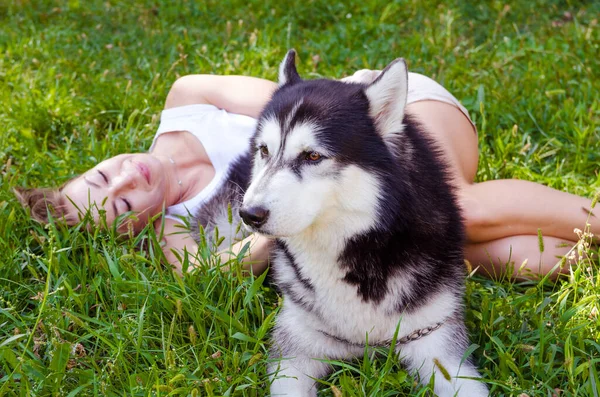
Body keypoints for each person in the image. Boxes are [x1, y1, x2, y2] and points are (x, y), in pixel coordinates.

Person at [14, 68, 598, 279]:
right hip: (359, 217)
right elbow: (209, 270)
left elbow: (307, 104)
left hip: (385, 113)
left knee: (454, 210)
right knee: (494, 257)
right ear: (132, 229)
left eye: (99, 177)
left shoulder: (187, 97)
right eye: (117, 204)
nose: (123, 181)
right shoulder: (174, 226)